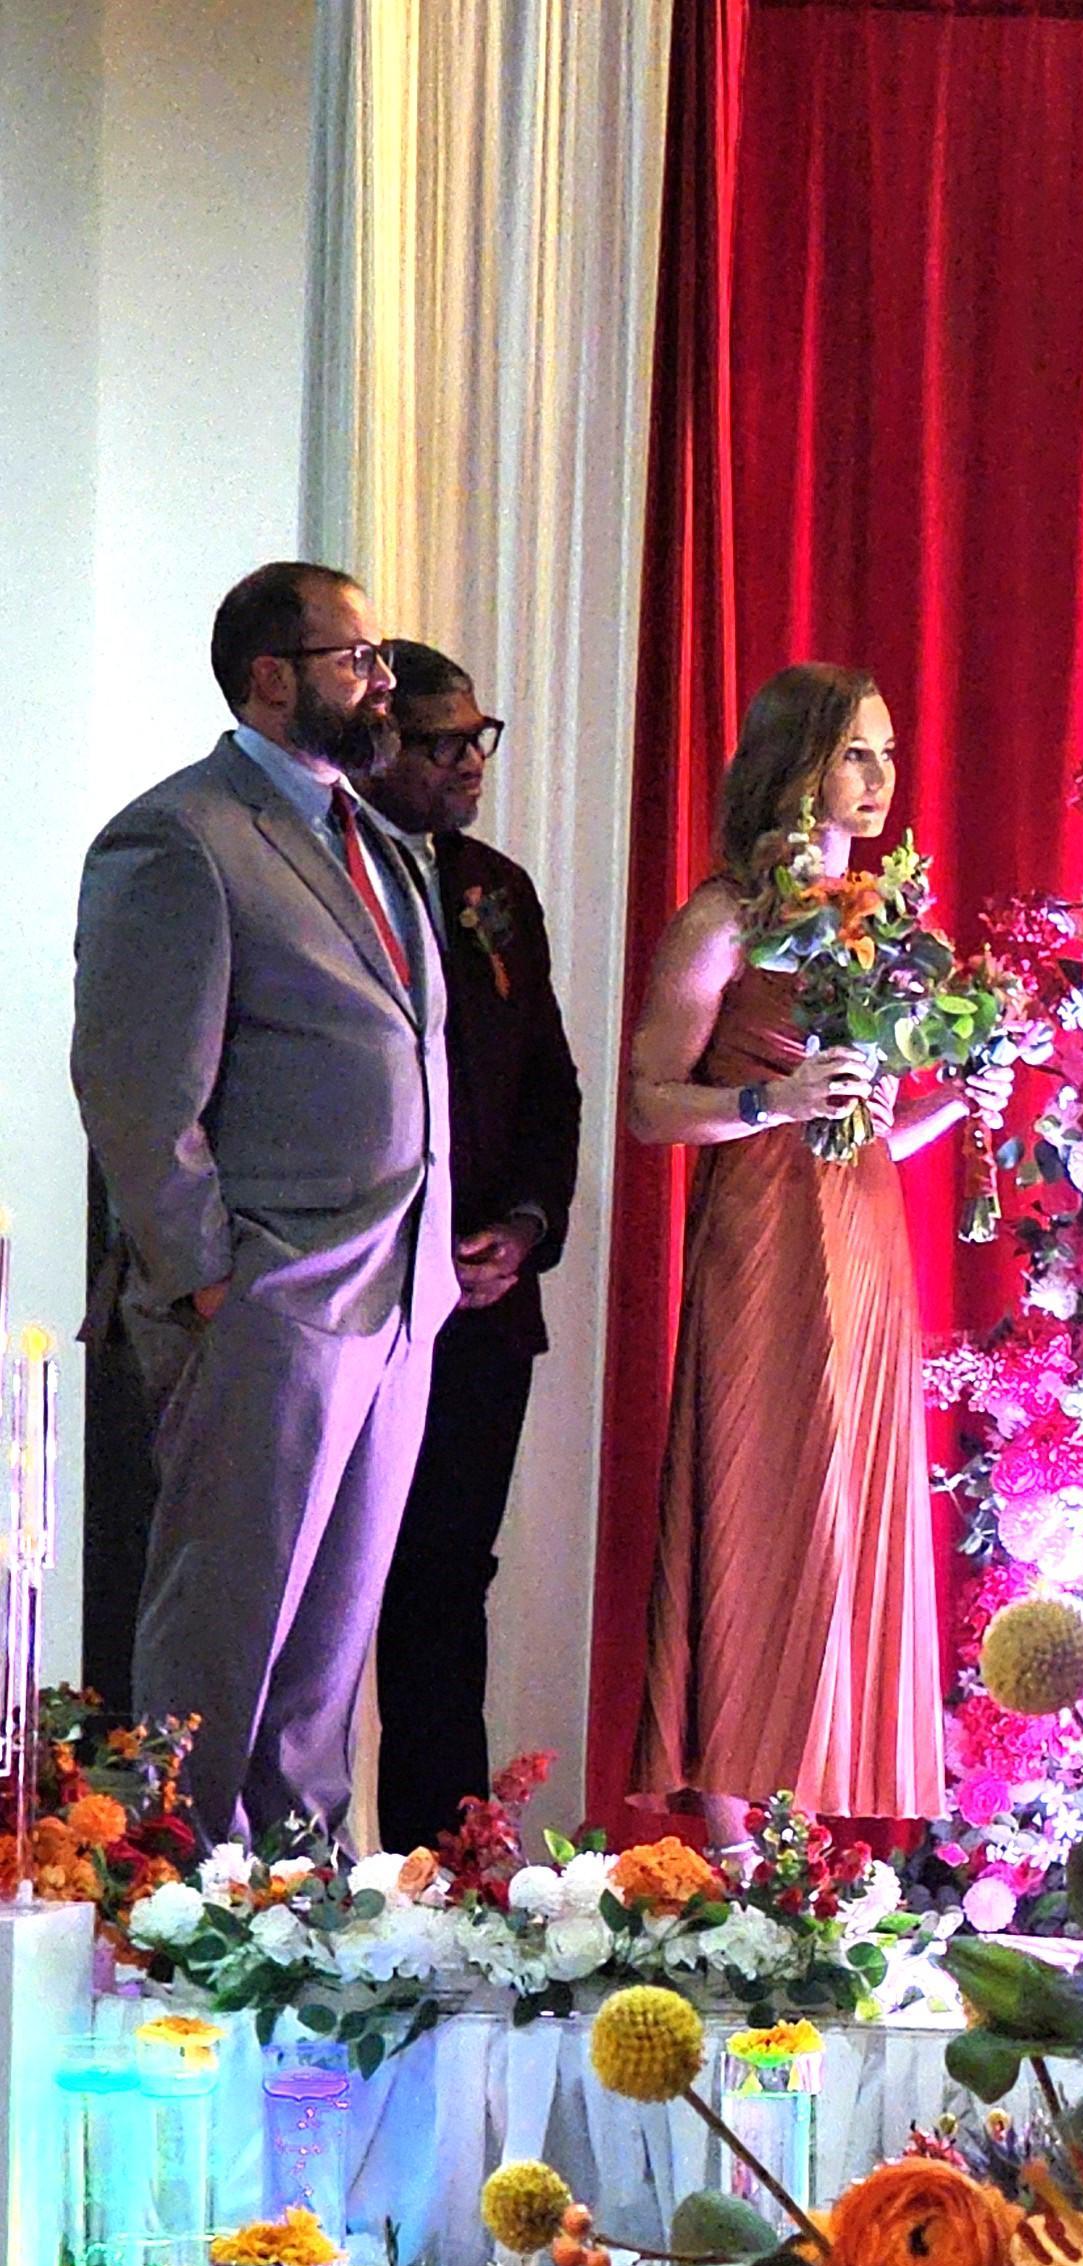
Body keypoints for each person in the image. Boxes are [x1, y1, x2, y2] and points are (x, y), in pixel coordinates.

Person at [72, 562, 458, 1840]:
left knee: (329, 1653)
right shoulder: (179, 837)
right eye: (358, 658)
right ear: (270, 678)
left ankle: (299, 1898)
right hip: (271, 1302)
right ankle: (172, 1893)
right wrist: (213, 1284)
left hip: (396, 1297)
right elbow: (137, 1093)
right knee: (223, 1635)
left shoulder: (378, 839)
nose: (385, 680)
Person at [630, 665, 988, 1830]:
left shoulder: (889, 923)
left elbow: (869, 1122)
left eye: (887, 751)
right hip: (764, 1224)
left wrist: (953, 1099)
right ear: (795, 766)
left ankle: (815, 1811)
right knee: (764, 1488)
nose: (881, 777)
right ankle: (737, 1829)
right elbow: (649, 1101)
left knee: (851, 1499)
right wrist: (769, 1101)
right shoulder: (724, 917)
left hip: (864, 1226)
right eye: (853, 754)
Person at [360, 640, 584, 1848]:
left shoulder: (494, 888)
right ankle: (274, 1871)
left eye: (476, 737)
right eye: (438, 742)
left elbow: (550, 1086)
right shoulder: (327, 871)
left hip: (480, 1306)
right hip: (350, 1295)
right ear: (374, 745)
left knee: (447, 1587)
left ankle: (438, 1869)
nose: (467, 763)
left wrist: (524, 1228)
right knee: (319, 1593)